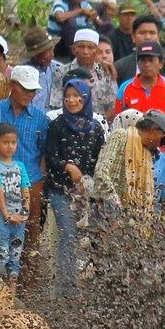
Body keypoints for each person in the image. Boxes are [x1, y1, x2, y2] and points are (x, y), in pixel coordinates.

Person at [0, 66, 50, 252]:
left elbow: (44, 153)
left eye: (33, 90)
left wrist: (37, 181)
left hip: (30, 184)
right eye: (25, 89)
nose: (29, 94)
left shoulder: (41, 119)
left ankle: (26, 281)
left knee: (30, 235)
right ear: (12, 85)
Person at [44, 77, 104, 294]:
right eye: (67, 96)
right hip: (60, 190)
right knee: (68, 235)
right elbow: (50, 156)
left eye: (76, 96)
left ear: (85, 98)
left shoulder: (95, 129)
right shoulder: (57, 125)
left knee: (83, 238)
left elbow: (100, 159)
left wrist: (86, 179)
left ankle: (80, 285)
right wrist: (68, 166)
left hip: (84, 193)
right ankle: (64, 290)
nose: (71, 100)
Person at [0, 122, 29, 281]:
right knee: (1, 254)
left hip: (19, 218)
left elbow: (25, 189)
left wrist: (25, 212)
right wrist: (7, 215)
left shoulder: (20, 166)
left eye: (13, 142)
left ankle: (11, 298)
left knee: (15, 256)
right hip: (0, 216)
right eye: (5, 142)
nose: (10, 146)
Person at [115, 43, 165, 121]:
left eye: (151, 60)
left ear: (161, 63)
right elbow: (119, 120)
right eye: (143, 60)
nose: (147, 64)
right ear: (137, 63)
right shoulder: (125, 88)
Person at [21, 28, 66, 112]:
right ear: (36, 55)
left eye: (52, 50)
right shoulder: (24, 72)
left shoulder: (59, 68)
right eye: (47, 52)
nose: (52, 55)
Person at [114, 15, 163, 82]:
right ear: (133, 37)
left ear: (158, 37)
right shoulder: (120, 67)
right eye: (142, 33)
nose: (147, 37)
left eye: (152, 33)